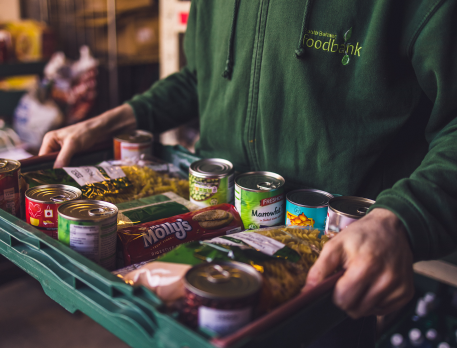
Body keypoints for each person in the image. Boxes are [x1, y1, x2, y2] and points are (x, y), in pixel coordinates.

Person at [40, 0, 457, 345]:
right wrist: (109, 121)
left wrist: (401, 219)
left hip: (326, 259)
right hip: (208, 223)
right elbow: (197, 79)